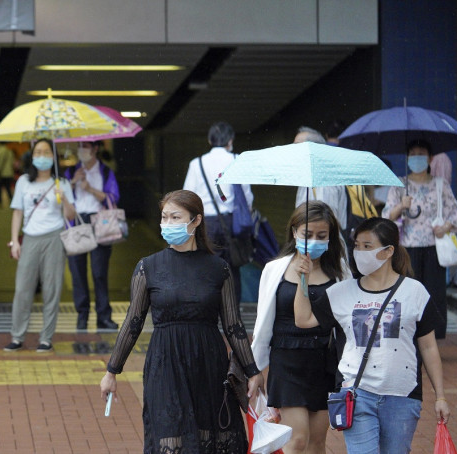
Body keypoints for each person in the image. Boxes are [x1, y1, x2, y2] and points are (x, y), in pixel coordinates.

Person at [100, 189, 264, 454]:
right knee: (170, 438)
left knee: (210, 437)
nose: (168, 224)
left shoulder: (218, 268)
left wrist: (253, 371)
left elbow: (233, 326)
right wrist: (112, 371)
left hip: (209, 364)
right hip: (165, 364)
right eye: (164, 218)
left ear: (196, 220)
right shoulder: (148, 267)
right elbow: (133, 321)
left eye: (176, 217)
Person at [293, 217, 451, 453]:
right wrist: (302, 279)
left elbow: (428, 347)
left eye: (367, 246)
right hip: (356, 394)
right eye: (356, 245)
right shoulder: (342, 292)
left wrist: (440, 397)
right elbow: (303, 319)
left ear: (388, 251)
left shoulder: (415, 292)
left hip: (403, 394)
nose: (359, 252)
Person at [251, 201, 351, 454]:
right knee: (296, 440)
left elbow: (346, 324)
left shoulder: (339, 273)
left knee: (317, 442)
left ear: (330, 238)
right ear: (294, 231)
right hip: (286, 361)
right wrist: (256, 368)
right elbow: (263, 322)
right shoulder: (275, 269)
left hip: (324, 362)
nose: (313, 240)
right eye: (307, 234)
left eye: (321, 236)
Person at [383, 139, 457, 339]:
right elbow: (386, 217)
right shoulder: (399, 185)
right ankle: (407, 336)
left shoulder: (440, 185)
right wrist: (401, 206)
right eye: (413, 154)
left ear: (431, 158)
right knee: (407, 294)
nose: (417, 158)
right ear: (407, 158)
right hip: (406, 249)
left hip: (434, 249)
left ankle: (433, 338)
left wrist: (446, 227)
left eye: (422, 154)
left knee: (434, 295)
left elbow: (456, 215)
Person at [4, 138, 75, 353]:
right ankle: (17, 336)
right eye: (38, 152)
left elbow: (70, 216)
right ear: (32, 156)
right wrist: (15, 240)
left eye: (46, 152)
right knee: (22, 289)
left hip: (54, 238)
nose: (42, 156)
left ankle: (46, 338)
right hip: (30, 238)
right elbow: (17, 212)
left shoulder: (61, 182)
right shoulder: (24, 181)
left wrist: (64, 200)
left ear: (53, 157)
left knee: (52, 289)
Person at [183, 122, 253, 303]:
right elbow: (247, 197)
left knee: (207, 269)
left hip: (206, 223)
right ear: (230, 140)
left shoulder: (196, 164)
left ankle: (209, 312)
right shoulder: (237, 160)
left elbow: (188, 196)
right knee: (231, 270)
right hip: (231, 222)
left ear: (209, 140)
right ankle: (232, 314)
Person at [64, 141, 120, 331]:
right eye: (79, 146)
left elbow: (113, 198)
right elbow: (60, 198)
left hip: (100, 221)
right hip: (77, 222)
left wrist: (90, 189)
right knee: (77, 272)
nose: (82, 150)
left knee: (99, 272)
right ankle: (82, 315)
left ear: (95, 149)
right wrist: (72, 183)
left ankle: (104, 316)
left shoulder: (105, 172)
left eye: (86, 146)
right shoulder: (71, 172)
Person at [294, 126, 348, 231]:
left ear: (314, 149)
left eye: (297, 146)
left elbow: (326, 222)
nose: (293, 151)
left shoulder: (325, 180)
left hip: (323, 244)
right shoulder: (308, 177)